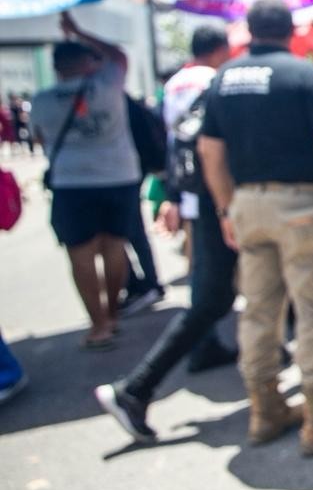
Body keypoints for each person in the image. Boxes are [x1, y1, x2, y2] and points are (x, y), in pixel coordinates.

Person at [197, 0, 313, 456]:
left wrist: (224, 210)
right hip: (299, 206)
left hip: (247, 206)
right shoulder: (302, 75)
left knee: (258, 308)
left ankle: (265, 410)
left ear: (250, 31)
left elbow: (209, 153)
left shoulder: (224, 79)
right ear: (290, 31)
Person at [94, 26, 239, 443]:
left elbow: (173, 144)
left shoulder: (174, 84)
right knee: (214, 296)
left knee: (212, 289)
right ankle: (134, 390)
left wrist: (171, 195)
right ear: (222, 49)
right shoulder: (215, 82)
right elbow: (210, 146)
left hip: (194, 199)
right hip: (218, 201)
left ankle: (215, 348)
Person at [30, 13, 141, 349]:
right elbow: (119, 55)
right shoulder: (107, 84)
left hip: (71, 182)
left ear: (57, 67)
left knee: (80, 253)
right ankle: (113, 313)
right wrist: (79, 30)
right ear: (87, 61)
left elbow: (38, 139)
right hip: (118, 177)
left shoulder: (42, 100)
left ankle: (98, 324)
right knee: (114, 247)